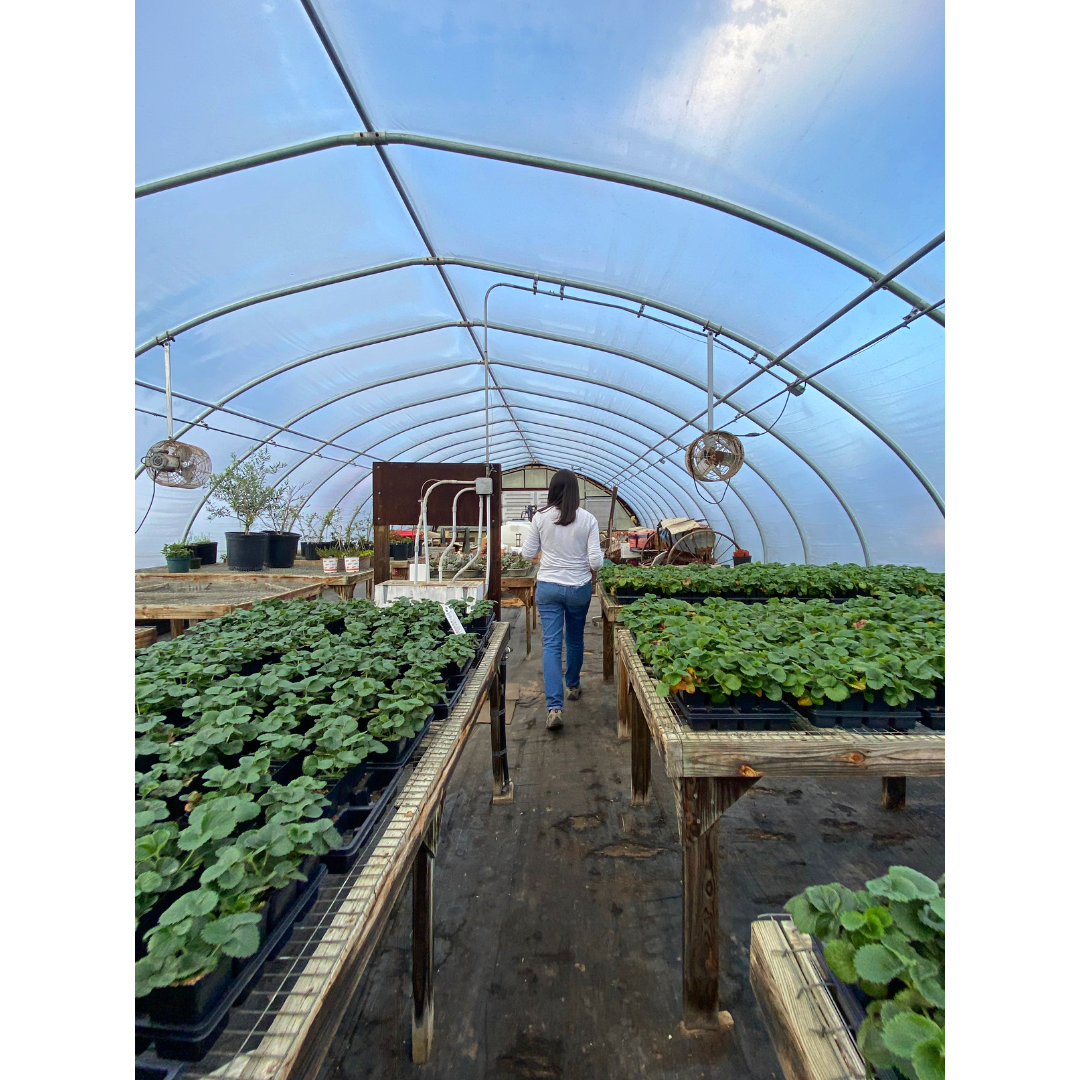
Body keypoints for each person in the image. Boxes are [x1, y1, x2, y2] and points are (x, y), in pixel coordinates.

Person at [520, 470, 603, 730]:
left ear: (552, 490)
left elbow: (527, 554)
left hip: (548, 588)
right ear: (576, 491)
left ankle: (554, 707)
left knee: (551, 645)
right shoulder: (587, 519)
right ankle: (573, 685)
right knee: (575, 638)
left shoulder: (540, 518)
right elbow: (595, 562)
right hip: (578, 588)